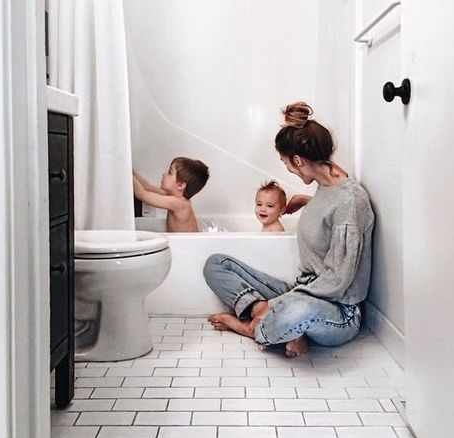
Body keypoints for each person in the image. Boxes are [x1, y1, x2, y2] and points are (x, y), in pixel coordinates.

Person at [203, 101, 374, 357]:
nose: (287, 169)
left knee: (297, 312)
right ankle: (276, 321)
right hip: (303, 288)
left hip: (337, 309)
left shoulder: (350, 203)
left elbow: (338, 281)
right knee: (216, 264)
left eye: (286, 164)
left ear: (297, 160)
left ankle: (250, 327)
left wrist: (276, 303)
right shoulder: (330, 180)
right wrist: (306, 202)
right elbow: (331, 213)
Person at [132, 157, 209, 233]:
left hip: (186, 244)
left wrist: (127, 173)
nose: (164, 174)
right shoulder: (173, 197)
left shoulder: (179, 203)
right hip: (182, 243)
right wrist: (132, 171)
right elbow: (147, 187)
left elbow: (141, 194)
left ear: (180, 185)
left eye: (170, 172)